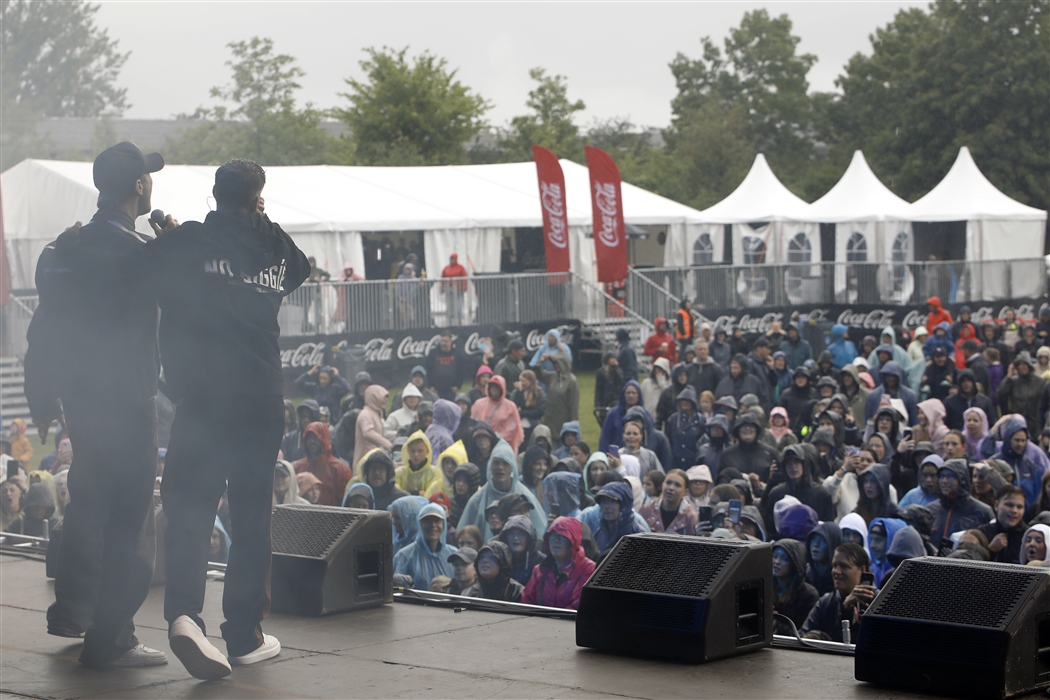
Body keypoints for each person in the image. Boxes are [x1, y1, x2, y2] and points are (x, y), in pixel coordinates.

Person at [143, 158, 312, 677]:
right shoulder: (277, 246)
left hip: (204, 399)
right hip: (261, 398)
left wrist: (177, 236)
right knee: (251, 514)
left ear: (214, 195)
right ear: (258, 196)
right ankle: (243, 634)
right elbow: (301, 269)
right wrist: (259, 219)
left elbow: (152, 265)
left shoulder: (187, 241)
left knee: (191, 507)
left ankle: (185, 617)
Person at [25, 143, 171, 667]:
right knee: (131, 520)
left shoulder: (66, 247)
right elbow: (186, 307)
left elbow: (45, 326)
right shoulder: (139, 252)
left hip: (82, 399)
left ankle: (75, 611)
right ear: (138, 186)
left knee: (88, 502)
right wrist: (174, 247)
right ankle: (111, 639)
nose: (152, 184)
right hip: (129, 401)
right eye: (147, 178)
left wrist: (40, 392)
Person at [458, 440, 545, 540]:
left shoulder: (526, 497)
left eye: (505, 463)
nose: (500, 467)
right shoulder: (477, 501)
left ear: (513, 467)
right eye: (496, 463)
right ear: (490, 466)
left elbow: (540, 533)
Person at [799, 543, 876, 643]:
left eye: (844, 566)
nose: (837, 571)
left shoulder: (878, 602)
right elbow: (800, 638)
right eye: (834, 566)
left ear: (862, 570)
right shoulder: (825, 603)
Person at [521, 516, 595, 610]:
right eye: (553, 535)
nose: (556, 540)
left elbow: (578, 607)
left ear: (573, 541)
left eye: (562, 536)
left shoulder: (589, 569)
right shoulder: (539, 571)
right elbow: (526, 603)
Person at [928, 459, 994, 547]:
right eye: (941, 476)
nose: (944, 481)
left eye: (950, 477)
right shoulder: (931, 509)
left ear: (962, 480)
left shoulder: (982, 511)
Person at [393, 503, 457, 590]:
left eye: (437, 521)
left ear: (444, 524)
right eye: (427, 520)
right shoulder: (405, 556)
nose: (433, 525)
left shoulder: (453, 554)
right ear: (420, 524)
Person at [292, 422, 352, 507]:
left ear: (325, 439)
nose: (312, 441)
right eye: (309, 437)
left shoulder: (341, 470)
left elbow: (345, 503)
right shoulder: (297, 467)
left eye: (316, 438)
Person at [991, 416, 1046, 507]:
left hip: (1026, 515)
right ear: (1008, 440)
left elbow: (1038, 493)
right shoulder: (995, 462)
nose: (1020, 444)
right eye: (1016, 440)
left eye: (1023, 441)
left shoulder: (1030, 466)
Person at [771, 540, 820, 636]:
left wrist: (772, 620)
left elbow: (802, 635)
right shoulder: (765, 587)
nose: (777, 562)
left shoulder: (808, 595)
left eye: (784, 558)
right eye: (775, 556)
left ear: (795, 564)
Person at [470, 376, 524, 453]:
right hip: (480, 445)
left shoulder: (510, 407)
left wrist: (494, 438)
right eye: (492, 386)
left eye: (497, 387)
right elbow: (473, 423)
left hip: (502, 446)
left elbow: (512, 429)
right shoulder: (479, 404)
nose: (494, 389)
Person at [977, 485, 1028, 564]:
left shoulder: (1029, 537)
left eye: (1019, 507)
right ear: (996, 505)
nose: (1014, 510)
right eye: (1009, 505)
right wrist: (990, 550)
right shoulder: (982, 533)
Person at [719, 414, 777, 483]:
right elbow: (720, 482)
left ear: (757, 430)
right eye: (743, 426)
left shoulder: (770, 453)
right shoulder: (727, 454)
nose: (747, 428)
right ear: (738, 430)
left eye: (751, 426)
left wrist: (760, 484)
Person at [592, 482, 646, 555]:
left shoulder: (638, 535)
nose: (606, 506)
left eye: (612, 501)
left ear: (624, 506)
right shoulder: (599, 533)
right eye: (603, 501)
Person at [999, 352, 1046, 437]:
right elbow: (1000, 395)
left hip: (1034, 424)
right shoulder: (1013, 381)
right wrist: (1008, 376)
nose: (1021, 367)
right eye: (1019, 364)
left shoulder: (1040, 382)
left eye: (1024, 364)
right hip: (1017, 422)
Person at [638, 469, 698, 535]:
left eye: (677, 485)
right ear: (662, 484)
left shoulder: (690, 517)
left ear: (685, 492)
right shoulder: (646, 509)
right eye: (668, 483)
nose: (671, 488)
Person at [535, 355, 579, 437]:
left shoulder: (571, 381)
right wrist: (540, 362)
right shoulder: (552, 377)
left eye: (558, 364)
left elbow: (574, 404)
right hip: (550, 418)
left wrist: (573, 424)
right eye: (555, 364)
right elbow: (538, 374)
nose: (556, 366)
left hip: (563, 418)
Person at [498, 515, 546, 586]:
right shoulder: (499, 560)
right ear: (505, 537)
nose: (516, 538)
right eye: (511, 533)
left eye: (521, 533)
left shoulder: (542, 561)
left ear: (529, 537)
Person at [666, 387, 705, 472]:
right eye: (682, 400)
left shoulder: (700, 420)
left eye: (688, 400)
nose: (684, 403)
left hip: (693, 462)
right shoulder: (673, 419)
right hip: (675, 462)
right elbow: (668, 441)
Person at [394, 431, 441, 497]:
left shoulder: (435, 473)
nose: (416, 454)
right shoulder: (399, 472)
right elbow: (395, 493)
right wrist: (417, 493)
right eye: (413, 451)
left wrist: (406, 493)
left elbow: (431, 495)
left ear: (427, 451)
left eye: (420, 451)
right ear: (407, 451)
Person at [805, 522, 842, 596]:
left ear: (833, 544)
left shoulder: (840, 576)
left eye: (823, 540)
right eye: (813, 539)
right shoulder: (805, 573)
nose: (816, 544)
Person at [425, 331, 463, 402]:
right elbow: (428, 370)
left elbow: (461, 370)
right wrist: (430, 386)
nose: (443, 343)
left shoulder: (456, 354)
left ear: (451, 342)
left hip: (451, 391)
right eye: (442, 341)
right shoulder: (433, 353)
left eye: (445, 341)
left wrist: (458, 385)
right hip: (436, 391)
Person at [441, 254, 469, 326]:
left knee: (459, 307)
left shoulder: (460, 268)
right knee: (449, 306)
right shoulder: (446, 268)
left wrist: (464, 287)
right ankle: (449, 322)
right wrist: (442, 287)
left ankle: (459, 321)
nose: (452, 260)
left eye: (453, 259)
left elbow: (464, 277)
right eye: (451, 259)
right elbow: (443, 278)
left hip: (459, 290)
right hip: (449, 290)